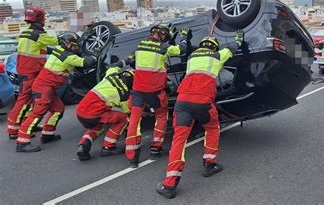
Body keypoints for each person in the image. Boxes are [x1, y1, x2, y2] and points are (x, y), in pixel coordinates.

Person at [156, 30, 244, 199]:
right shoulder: (218, 55)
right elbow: (232, 48)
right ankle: (209, 164)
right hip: (203, 103)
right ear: (214, 47)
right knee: (212, 128)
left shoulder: (191, 58)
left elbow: (183, 50)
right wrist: (239, 39)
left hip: (182, 103)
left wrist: (184, 37)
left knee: (179, 140)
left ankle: (169, 184)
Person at [16, 32, 97, 152]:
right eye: (75, 46)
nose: (77, 48)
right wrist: (96, 55)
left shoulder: (59, 50)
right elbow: (85, 63)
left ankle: (48, 134)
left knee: (58, 110)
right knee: (37, 114)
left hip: (48, 88)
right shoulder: (68, 57)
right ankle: (22, 142)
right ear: (68, 44)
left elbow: (76, 57)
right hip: (44, 88)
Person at [126, 25, 191, 168]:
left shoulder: (139, 46)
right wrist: (184, 36)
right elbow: (181, 50)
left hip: (138, 91)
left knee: (134, 122)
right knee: (161, 117)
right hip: (155, 92)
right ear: (161, 35)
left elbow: (130, 60)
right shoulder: (163, 48)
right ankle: (156, 148)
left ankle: (132, 158)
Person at [7, 6, 59, 139]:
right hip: (32, 71)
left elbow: (38, 49)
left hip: (25, 70)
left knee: (29, 99)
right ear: (40, 19)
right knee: (25, 100)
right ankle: (14, 129)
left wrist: (50, 51)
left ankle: (27, 125)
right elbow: (58, 41)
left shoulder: (26, 33)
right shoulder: (38, 34)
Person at [76, 60, 135, 161]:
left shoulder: (111, 75)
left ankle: (83, 145)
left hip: (80, 111)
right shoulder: (124, 94)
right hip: (94, 113)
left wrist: (127, 61)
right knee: (123, 119)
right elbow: (128, 111)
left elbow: (113, 66)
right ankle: (108, 147)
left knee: (98, 127)